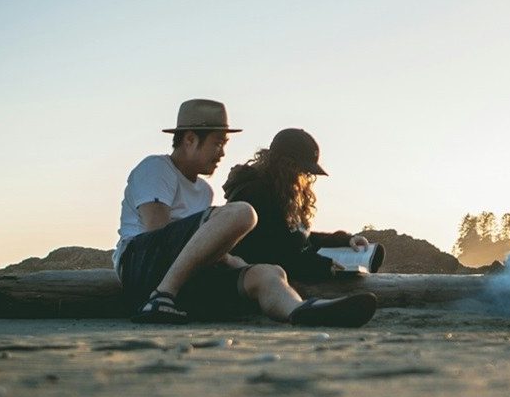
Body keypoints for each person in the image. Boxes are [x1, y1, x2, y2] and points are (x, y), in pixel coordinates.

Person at [112, 99, 377, 327]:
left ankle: (301, 311)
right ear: (190, 139)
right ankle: (161, 298)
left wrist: (231, 261)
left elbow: (195, 244)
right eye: (217, 144)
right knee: (243, 214)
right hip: (141, 270)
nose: (222, 153)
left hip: (187, 279)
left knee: (268, 272)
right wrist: (225, 257)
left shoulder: (204, 190)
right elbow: (158, 234)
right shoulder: (156, 169)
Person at [222, 128, 382, 281]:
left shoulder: (280, 191)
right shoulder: (255, 194)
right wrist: (323, 266)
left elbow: (295, 238)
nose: (305, 178)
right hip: (256, 280)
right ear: (285, 165)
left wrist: (343, 240)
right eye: (302, 171)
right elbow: (271, 255)